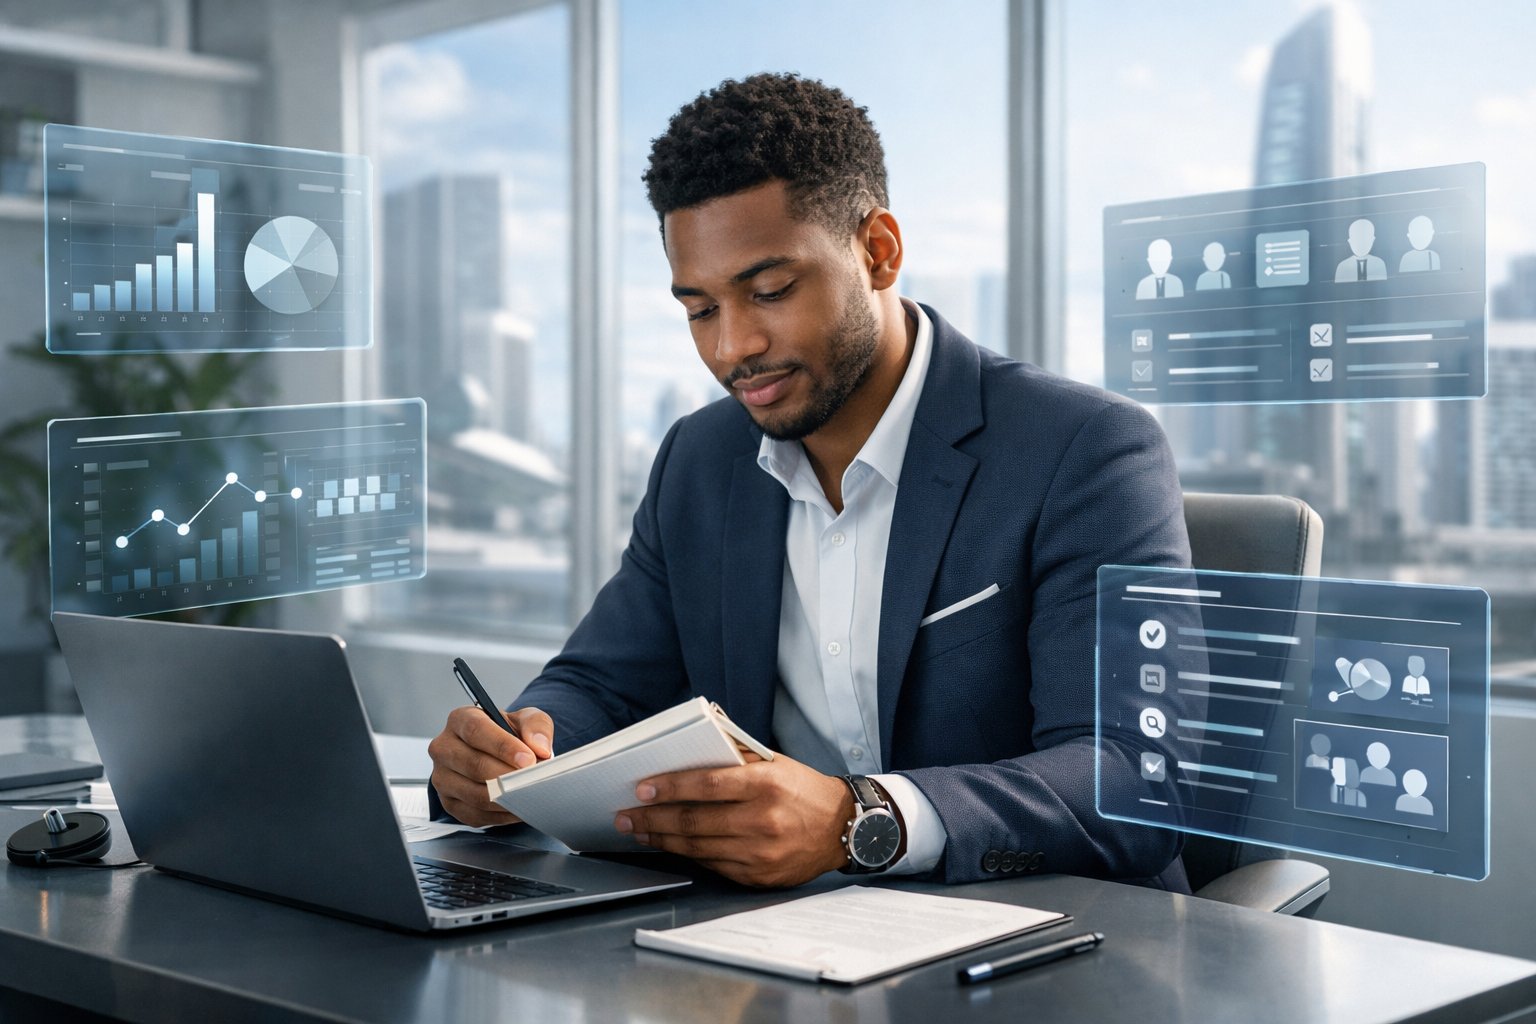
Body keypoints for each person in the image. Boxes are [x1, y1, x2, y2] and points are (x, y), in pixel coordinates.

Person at [428, 72, 1192, 891]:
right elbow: (599, 683)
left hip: (1045, 949)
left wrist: (860, 821)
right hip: (778, 948)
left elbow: (1135, 778)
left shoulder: (1083, 451)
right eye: (700, 309)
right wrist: (517, 753)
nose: (732, 349)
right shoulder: (699, 459)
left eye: (770, 291)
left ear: (878, 251)